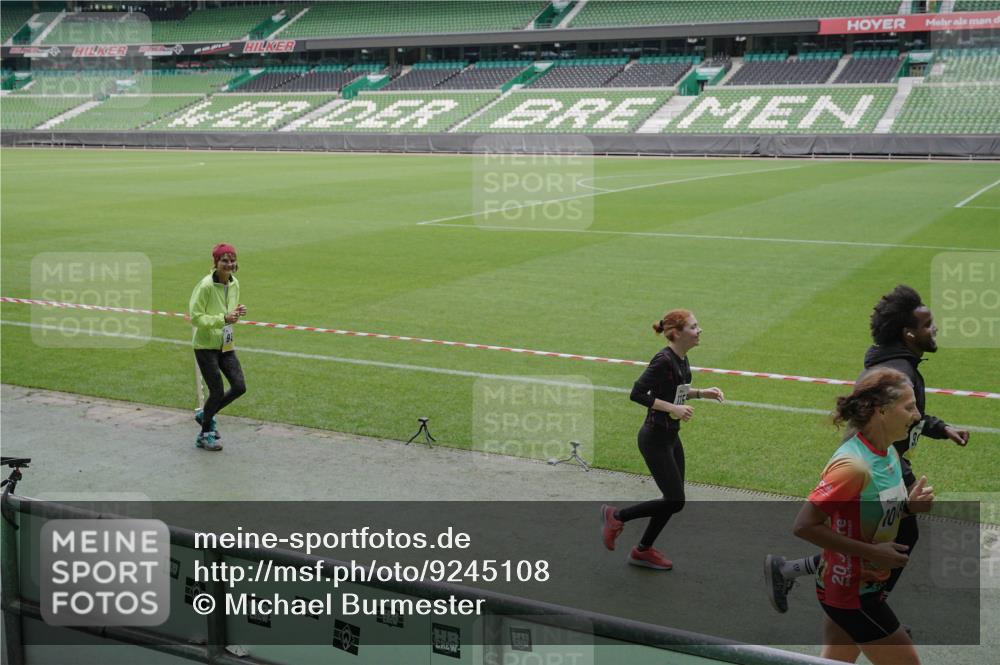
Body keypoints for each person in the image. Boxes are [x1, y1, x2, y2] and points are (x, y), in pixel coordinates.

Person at [765, 285, 969, 612]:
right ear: (909, 334)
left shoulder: (899, 367)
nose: (935, 328)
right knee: (893, 538)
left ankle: (795, 572)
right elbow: (879, 426)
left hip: (886, 462)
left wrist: (941, 428)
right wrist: (881, 471)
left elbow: (912, 418)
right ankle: (869, 604)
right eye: (928, 324)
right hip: (878, 467)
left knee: (882, 536)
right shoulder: (897, 374)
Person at [792, 367, 934, 665]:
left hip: (865, 584)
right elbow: (805, 525)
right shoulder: (854, 465)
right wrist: (873, 552)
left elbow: (869, 512)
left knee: (837, 660)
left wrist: (909, 508)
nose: (917, 415)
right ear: (882, 412)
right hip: (851, 592)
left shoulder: (888, 452)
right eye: (909, 407)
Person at [600, 309, 724, 570]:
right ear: (676, 333)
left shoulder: (681, 358)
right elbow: (636, 393)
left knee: (673, 500)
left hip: (670, 436)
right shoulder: (663, 360)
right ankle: (616, 516)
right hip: (654, 438)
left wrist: (702, 393)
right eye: (693, 326)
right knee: (675, 500)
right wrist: (672, 409)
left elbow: (676, 391)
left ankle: (642, 551)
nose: (699, 330)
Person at [189, 243, 247, 451]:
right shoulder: (205, 286)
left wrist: (236, 313)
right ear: (216, 263)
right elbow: (196, 318)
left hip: (226, 344)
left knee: (239, 386)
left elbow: (229, 315)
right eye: (224, 260)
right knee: (217, 391)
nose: (229, 264)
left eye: (232, 260)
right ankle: (205, 434)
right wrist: (223, 318)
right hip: (205, 346)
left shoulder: (234, 284)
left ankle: (205, 415)